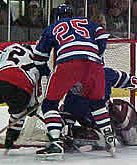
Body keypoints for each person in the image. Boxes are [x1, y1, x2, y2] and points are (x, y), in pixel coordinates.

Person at [32, 3, 114, 160]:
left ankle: (55, 143)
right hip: (94, 64)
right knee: (97, 103)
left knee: (49, 104)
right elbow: (103, 37)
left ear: (56, 16)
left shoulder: (52, 27)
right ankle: (109, 139)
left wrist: (45, 71)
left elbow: (39, 56)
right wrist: (97, 54)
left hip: (68, 63)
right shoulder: (86, 22)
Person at [59, 67, 137, 151]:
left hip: (116, 113)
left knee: (134, 138)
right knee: (100, 141)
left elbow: (128, 79)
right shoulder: (72, 97)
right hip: (97, 124)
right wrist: (65, 130)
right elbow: (68, 114)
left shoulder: (103, 74)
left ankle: (134, 128)